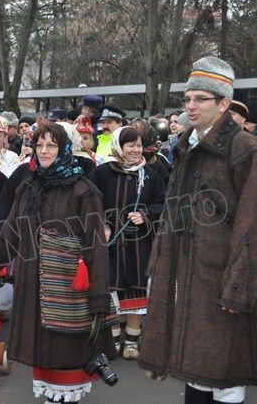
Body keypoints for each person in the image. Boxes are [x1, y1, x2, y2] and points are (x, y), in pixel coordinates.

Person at [139, 56, 257, 404]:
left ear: (223, 103)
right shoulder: (188, 146)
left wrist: (239, 285)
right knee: (196, 373)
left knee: (225, 378)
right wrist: (159, 268)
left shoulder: (246, 149)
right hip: (190, 279)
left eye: (200, 98)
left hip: (223, 284)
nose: (190, 105)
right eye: (188, 98)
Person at [0, 122, 115, 404]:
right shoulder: (28, 187)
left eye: (51, 145)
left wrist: (99, 298)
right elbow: (9, 236)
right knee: (46, 367)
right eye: (39, 145)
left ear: (65, 149)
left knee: (67, 367)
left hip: (69, 292)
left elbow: (96, 248)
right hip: (34, 287)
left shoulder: (84, 191)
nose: (44, 150)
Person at [89, 126, 165, 360]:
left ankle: (132, 339)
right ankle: (112, 338)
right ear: (118, 147)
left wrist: (146, 215)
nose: (135, 149)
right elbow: (90, 201)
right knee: (109, 289)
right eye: (130, 145)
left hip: (138, 244)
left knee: (136, 290)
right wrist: (102, 223)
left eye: (139, 145)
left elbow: (162, 203)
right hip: (110, 243)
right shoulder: (102, 173)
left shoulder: (152, 175)